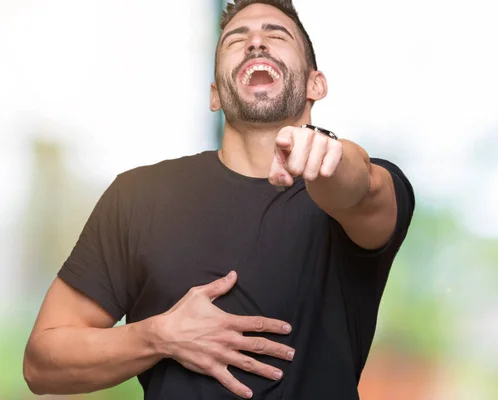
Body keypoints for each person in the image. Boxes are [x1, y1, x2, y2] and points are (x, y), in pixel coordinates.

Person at [23, 0, 415, 399]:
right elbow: (41, 363)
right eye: (236, 39)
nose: (256, 44)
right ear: (215, 95)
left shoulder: (357, 186)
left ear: (317, 84)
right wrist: (158, 336)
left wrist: (328, 151)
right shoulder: (138, 197)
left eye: (276, 35)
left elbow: (360, 184)